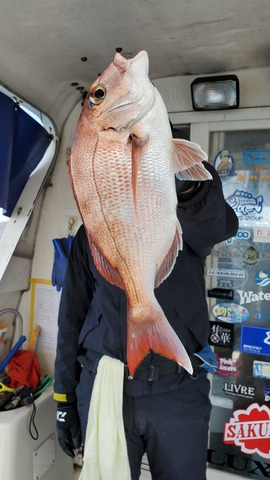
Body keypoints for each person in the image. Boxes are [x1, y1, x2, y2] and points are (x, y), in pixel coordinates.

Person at [53, 130, 238, 479]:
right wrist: (64, 397)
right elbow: (71, 316)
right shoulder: (92, 230)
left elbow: (215, 222)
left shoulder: (183, 220)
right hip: (105, 386)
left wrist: (187, 185)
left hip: (178, 390)